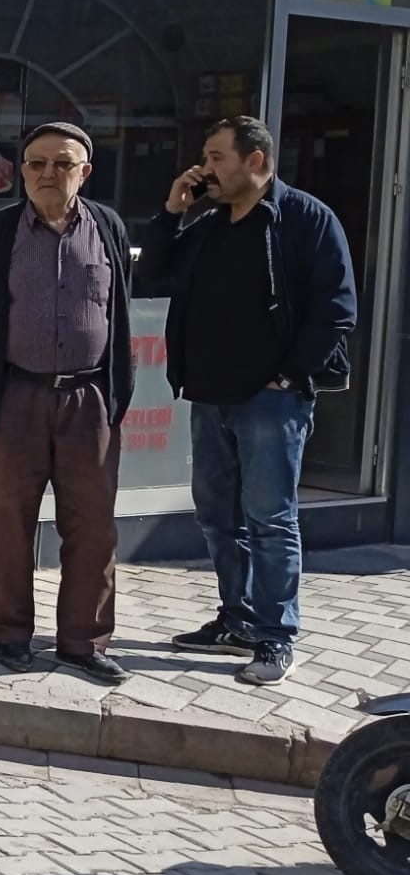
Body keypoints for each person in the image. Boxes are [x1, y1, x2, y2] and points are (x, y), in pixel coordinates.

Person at [139, 115, 357, 685]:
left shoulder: (306, 219)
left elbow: (337, 308)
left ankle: (275, 635)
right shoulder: (209, 225)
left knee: (269, 519)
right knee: (217, 517)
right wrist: (172, 210)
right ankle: (236, 619)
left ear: (255, 160)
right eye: (206, 157)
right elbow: (154, 272)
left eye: (215, 156)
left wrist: (288, 375)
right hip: (209, 395)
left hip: (271, 402)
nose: (205, 167)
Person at [0, 124, 137, 685]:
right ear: (21, 170)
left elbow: (119, 307)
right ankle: (11, 635)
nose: (48, 174)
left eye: (62, 163)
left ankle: (84, 641)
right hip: (13, 398)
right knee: (5, 522)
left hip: (89, 400)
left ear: (86, 171)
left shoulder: (107, 228)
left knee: (94, 525)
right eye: (36, 164)